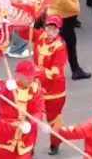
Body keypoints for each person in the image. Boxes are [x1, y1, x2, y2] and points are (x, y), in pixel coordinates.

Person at [0, 61, 46, 159]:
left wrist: (30, 121)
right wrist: (3, 89)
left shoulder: (36, 89)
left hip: (25, 137)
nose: (31, 79)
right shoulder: (7, 86)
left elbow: (40, 110)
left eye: (32, 76)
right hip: (5, 134)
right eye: (28, 76)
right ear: (19, 75)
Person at [34, 15, 69, 155]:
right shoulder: (41, 36)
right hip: (36, 87)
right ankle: (28, 146)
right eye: (49, 27)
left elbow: (55, 72)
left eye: (55, 28)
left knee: (53, 119)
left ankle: (55, 143)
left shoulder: (60, 47)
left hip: (54, 91)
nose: (51, 30)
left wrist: (35, 72)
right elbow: (26, 33)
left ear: (59, 30)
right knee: (32, 117)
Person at [47, 0, 91, 81]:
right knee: (69, 44)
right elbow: (62, 0)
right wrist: (74, 7)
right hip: (63, 16)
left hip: (58, 14)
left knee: (62, 43)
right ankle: (73, 70)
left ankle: (74, 69)